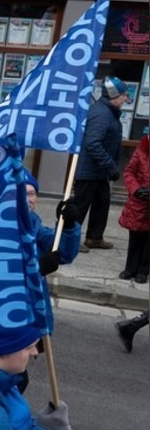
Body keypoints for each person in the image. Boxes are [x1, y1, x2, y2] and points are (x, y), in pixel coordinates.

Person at [74, 76, 129, 251]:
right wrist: (111, 166)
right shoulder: (101, 114)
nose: (126, 99)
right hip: (89, 170)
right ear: (114, 96)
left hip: (99, 171)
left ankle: (94, 237)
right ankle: (68, 238)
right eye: (124, 95)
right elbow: (92, 143)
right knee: (79, 206)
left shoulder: (107, 112)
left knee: (102, 203)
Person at [118, 134, 150, 282]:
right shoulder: (141, 150)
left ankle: (143, 271)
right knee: (135, 237)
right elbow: (129, 172)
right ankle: (130, 268)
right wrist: (136, 189)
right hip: (138, 202)